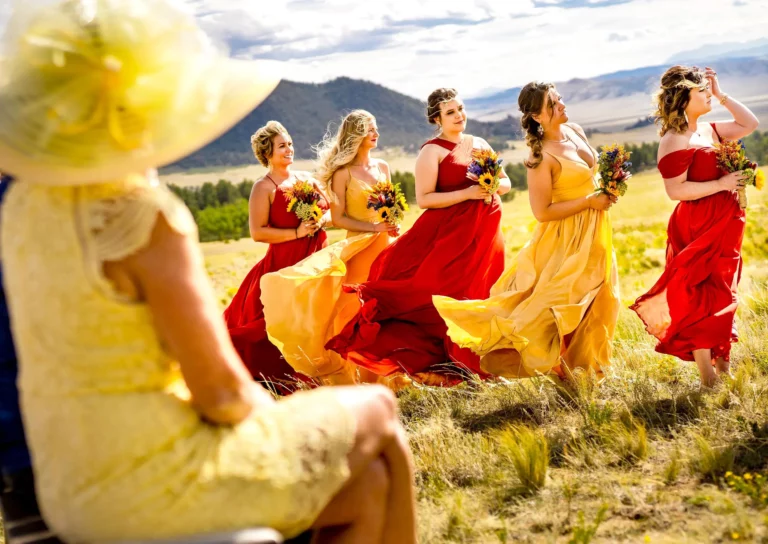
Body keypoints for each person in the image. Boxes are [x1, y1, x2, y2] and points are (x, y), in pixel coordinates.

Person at [0, 1, 417, 542]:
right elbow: (221, 394)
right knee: (380, 409)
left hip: (66, 484)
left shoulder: (22, 210)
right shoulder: (141, 216)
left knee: (367, 487)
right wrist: (276, 425)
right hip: (150, 477)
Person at [434, 82, 620, 380]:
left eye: (559, 98)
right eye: (553, 103)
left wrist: (607, 188)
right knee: (563, 305)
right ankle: (566, 374)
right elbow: (542, 212)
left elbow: (589, 176)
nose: (561, 104)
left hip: (596, 229)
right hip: (565, 237)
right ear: (537, 116)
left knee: (603, 300)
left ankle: (591, 373)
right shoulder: (539, 158)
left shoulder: (576, 131)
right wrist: (589, 201)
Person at [325, 88, 511, 385]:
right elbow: (424, 199)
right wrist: (469, 192)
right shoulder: (431, 151)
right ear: (437, 118)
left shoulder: (480, 143)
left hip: (487, 235)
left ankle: (487, 365)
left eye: (461, 109)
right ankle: (460, 367)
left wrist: (492, 187)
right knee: (450, 299)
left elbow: (506, 181)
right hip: (451, 238)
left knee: (485, 296)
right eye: (450, 112)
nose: (459, 116)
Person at [631, 65, 759, 388]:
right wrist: (723, 183)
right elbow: (676, 191)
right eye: (701, 90)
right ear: (683, 98)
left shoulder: (709, 131)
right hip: (698, 225)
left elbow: (750, 123)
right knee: (699, 294)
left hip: (727, 224)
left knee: (723, 291)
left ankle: (724, 366)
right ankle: (707, 377)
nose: (706, 94)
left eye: (706, 89)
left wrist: (721, 95)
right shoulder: (674, 140)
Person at [261, 110, 406, 388]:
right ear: (356, 135)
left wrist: (391, 223)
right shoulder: (343, 173)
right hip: (360, 247)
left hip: (386, 246)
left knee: (387, 310)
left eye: (376, 128)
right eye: (370, 130)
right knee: (357, 312)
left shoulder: (383, 167)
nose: (376, 134)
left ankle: (388, 375)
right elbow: (338, 218)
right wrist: (375, 228)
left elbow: (389, 205)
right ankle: (362, 378)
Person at [223, 121, 330, 390]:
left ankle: (321, 370)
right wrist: (296, 232)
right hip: (285, 263)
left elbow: (331, 211)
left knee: (319, 315)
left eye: (290, 143)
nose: (289, 149)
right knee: (280, 322)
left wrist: (320, 220)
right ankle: (281, 378)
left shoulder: (307, 179)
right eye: (282, 146)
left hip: (317, 257)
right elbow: (257, 232)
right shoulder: (264, 187)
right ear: (267, 153)